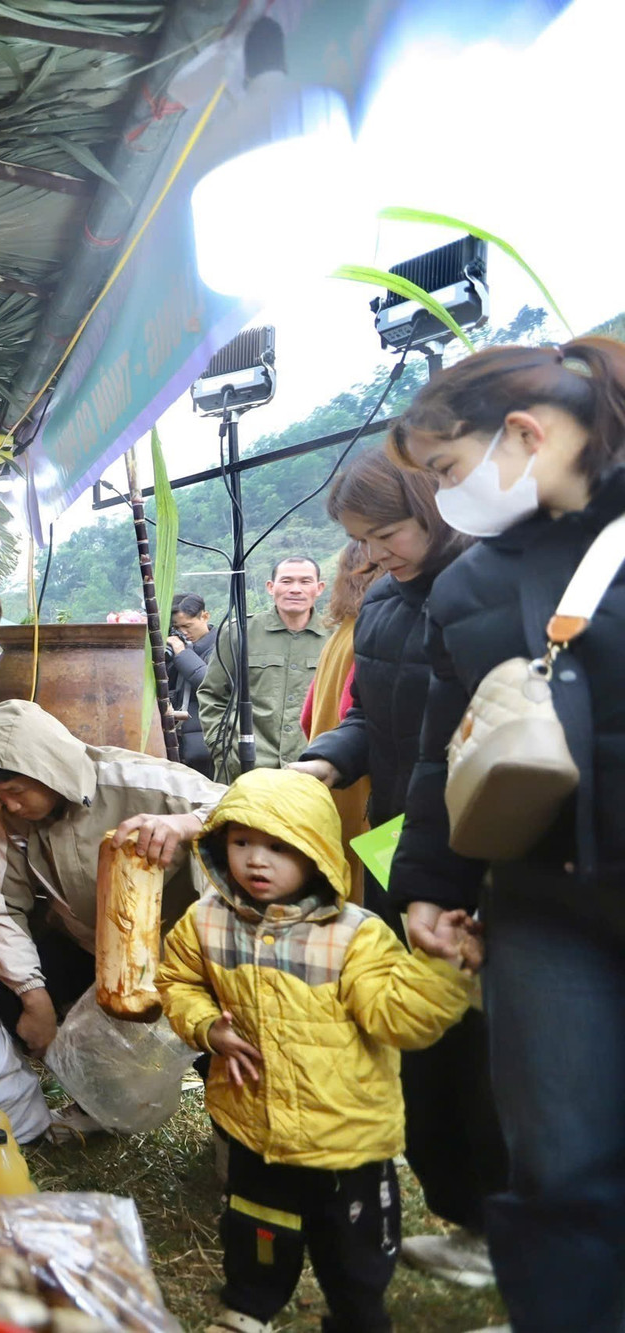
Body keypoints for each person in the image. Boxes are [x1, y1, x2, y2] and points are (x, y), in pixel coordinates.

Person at [387, 338, 625, 1333]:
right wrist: (424, 886)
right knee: (558, 1161)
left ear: (522, 434)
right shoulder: (468, 585)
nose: (444, 500)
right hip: (541, 904)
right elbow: (446, 754)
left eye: (446, 471)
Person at [280, 455, 501, 1290]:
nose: (373, 554)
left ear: (436, 504)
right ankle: (466, 1213)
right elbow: (368, 717)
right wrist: (324, 763)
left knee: (486, 1051)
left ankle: (509, 1226)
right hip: (399, 847)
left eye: (386, 534)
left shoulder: (488, 591)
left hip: (478, 851)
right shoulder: (378, 604)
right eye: (360, 542)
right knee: (417, 1047)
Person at [157, 768, 473, 1333]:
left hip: (346, 1139)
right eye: (242, 842)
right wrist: (207, 1028)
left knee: (353, 1251)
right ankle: (248, 1307)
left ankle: (358, 1317)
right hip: (254, 1126)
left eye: (280, 846)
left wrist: (440, 970)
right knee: (256, 1231)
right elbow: (177, 981)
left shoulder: (357, 934)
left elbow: (400, 1017)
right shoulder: (205, 922)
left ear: (319, 851)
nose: (257, 860)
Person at [0, 699, 225, 1059]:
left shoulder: (137, 780)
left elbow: (240, 804)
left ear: (48, 769)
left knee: (215, 1036)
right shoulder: (7, 818)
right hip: (90, 946)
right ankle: (85, 1084)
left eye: (15, 792)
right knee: (12, 1003)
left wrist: (183, 825)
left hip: (176, 951)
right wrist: (33, 995)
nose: (9, 806)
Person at [197, 556, 328, 779]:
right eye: (286, 581)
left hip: (312, 767)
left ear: (319, 588)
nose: (295, 589)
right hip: (245, 768)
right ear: (270, 587)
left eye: (305, 582)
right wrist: (223, 749)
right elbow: (212, 694)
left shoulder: (335, 638)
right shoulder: (239, 633)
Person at [300, 541, 377, 902]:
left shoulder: (338, 635)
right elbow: (358, 715)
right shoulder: (374, 633)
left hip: (327, 791)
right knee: (378, 914)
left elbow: (307, 717)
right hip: (365, 796)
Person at [165, 592, 218, 775]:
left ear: (205, 616)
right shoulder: (171, 646)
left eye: (188, 626)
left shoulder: (223, 645)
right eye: (177, 627)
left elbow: (211, 684)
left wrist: (182, 653)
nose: (184, 632)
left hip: (208, 747)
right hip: (178, 745)